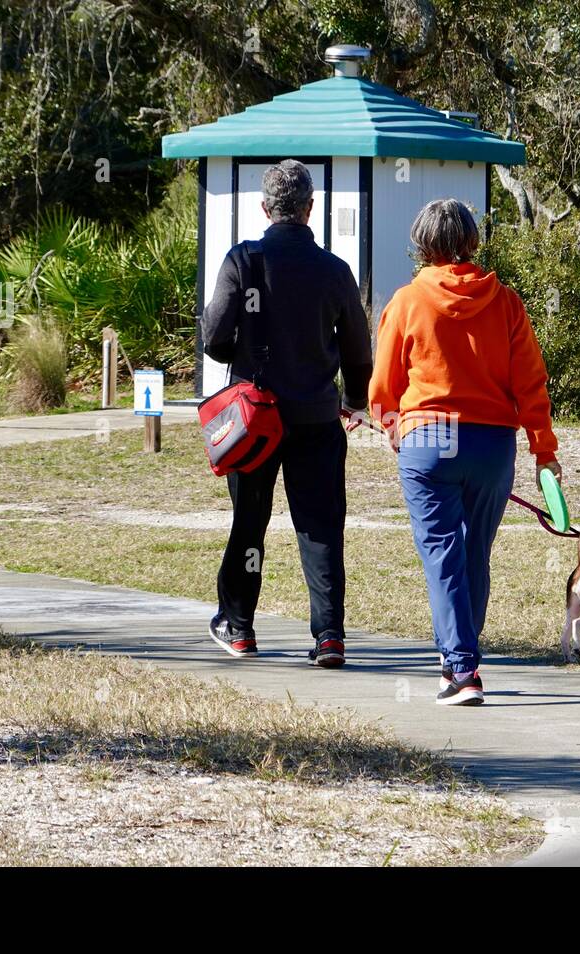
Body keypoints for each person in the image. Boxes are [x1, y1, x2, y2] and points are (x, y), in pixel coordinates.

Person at [368, 198, 561, 705]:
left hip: (430, 438)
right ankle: (460, 655)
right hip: (493, 442)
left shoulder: (408, 301)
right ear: (472, 242)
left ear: (422, 245)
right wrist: (543, 450)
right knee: (473, 552)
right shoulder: (506, 303)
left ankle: (461, 667)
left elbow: (383, 387)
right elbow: (531, 384)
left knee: (442, 553)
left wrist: (394, 429)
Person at [201, 159, 372, 667]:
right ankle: (329, 636)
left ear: (264, 208)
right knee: (320, 526)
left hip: (256, 420)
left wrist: (246, 355)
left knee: (249, 521)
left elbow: (214, 339)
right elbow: (359, 351)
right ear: (310, 209)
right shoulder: (335, 271)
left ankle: (238, 625)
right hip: (318, 418)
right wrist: (354, 399)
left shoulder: (243, 261)